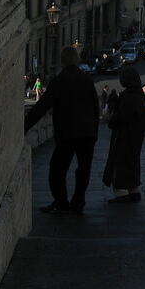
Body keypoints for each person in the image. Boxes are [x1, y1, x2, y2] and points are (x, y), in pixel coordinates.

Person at [24, 47, 99, 214]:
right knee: (83, 170)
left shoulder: (59, 80)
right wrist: (94, 132)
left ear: (62, 61)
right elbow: (95, 107)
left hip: (67, 133)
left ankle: (61, 201)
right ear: (77, 60)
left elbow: (42, 106)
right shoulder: (87, 79)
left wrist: (24, 126)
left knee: (57, 169)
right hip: (87, 133)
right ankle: (78, 202)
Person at [102, 67, 145, 203]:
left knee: (120, 163)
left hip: (124, 135)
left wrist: (111, 118)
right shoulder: (140, 95)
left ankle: (121, 192)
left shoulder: (128, 96)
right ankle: (134, 190)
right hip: (137, 135)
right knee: (133, 161)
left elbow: (120, 118)